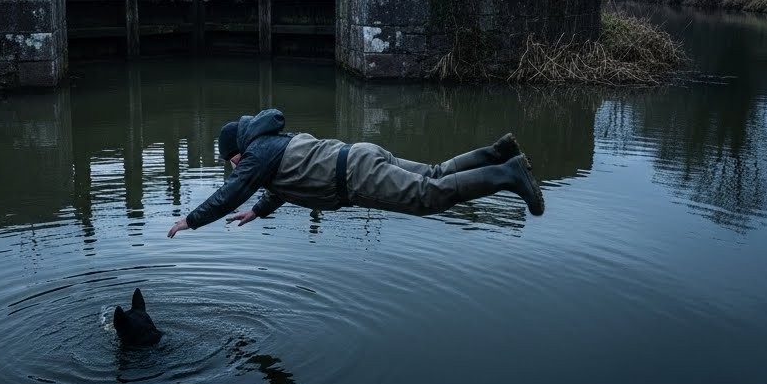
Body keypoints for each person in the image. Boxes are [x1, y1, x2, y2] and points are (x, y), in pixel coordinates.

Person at [166, 108, 543, 237]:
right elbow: (285, 181)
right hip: (360, 154)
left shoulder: (254, 155)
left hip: (357, 178)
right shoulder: (273, 143)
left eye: (230, 160)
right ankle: (496, 152)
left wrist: (191, 220)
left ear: (237, 152)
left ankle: (508, 174)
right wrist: (259, 210)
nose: (233, 167)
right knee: (435, 172)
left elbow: (232, 191)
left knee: (430, 197)